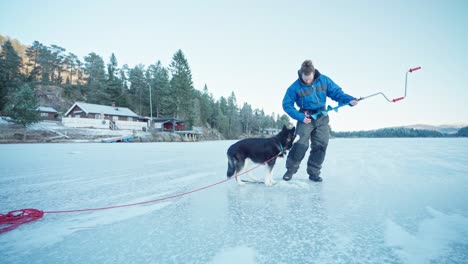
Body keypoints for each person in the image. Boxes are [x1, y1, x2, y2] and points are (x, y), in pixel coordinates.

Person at [282, 60, 358, 182]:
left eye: (309, 78)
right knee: (300, 144)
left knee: (321, 145)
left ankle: (314, 172)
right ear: (301, 74)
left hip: (321, 116)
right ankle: (290, 170)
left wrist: (349, 100)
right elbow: (287, 105)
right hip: (305, 117)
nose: (307, 81)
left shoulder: (324, 80)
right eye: (305, 78)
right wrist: (300, 117)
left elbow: (337, 93)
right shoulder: (294, 87)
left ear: (313, 73)